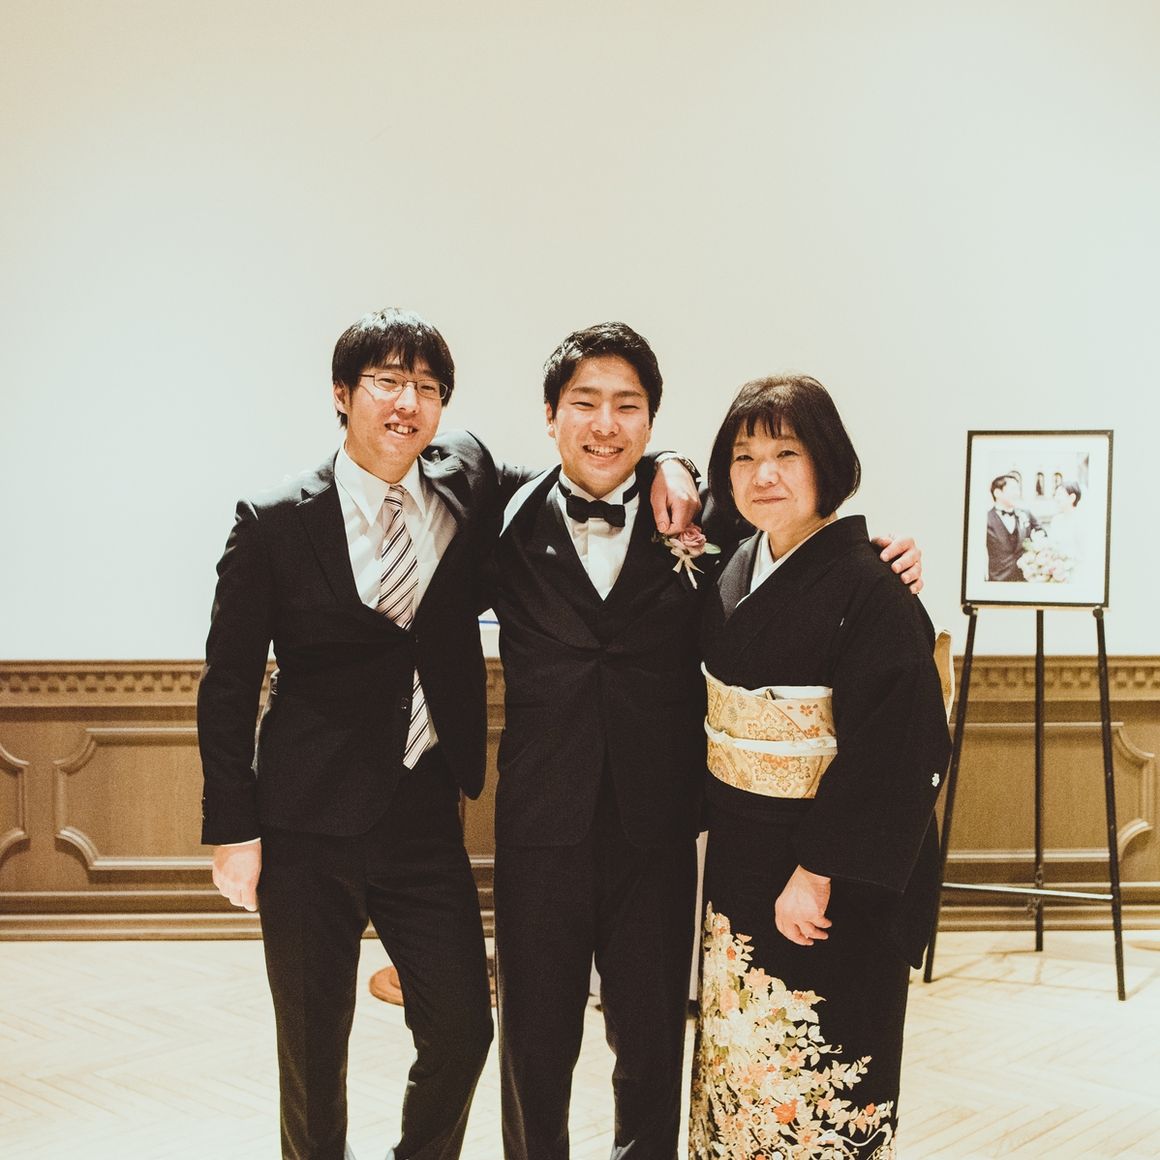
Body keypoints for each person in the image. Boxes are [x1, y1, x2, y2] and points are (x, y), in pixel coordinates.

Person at [197, 307, 700, 1160]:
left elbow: (595, 462)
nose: (408, 403)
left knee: (465, 1029)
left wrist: (674, 463)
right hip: (305, 820)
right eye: (387, 382)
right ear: (342, 393)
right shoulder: (275, 519)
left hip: (423, 811)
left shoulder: (468, 480)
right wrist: (233, 829)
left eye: (427, 387)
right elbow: (229, 682)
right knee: (313, 1051)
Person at [487, 328, 925, 1160]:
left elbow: (809, 545)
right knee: (533, 1050)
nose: (606, 424)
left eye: (628, 406)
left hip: (659, 831)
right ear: (550, 415)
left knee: (653, 1044)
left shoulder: (703, 524)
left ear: (652, 421)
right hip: (541, 825)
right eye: (585, 403)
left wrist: (889, 557)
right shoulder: (502, 519)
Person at [689, 375, 951, 1160]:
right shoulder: (736, 564)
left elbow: (901, 749)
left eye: (786, 453)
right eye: (743, 457)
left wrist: (818, 870)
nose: (762, 474)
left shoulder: (873, 588)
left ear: (827, 461)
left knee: (820, 1073)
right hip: (741, 857)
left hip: (828, 877)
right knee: (740, 1066)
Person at [985, 472, 1043, 581]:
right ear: (997, 493)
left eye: (1018, 489)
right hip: (998, 580)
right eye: (1012, 489)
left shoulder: (1026, 514)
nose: (1017, 493)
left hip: (1025, 579)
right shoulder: (986, 519)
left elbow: (1042, 535)